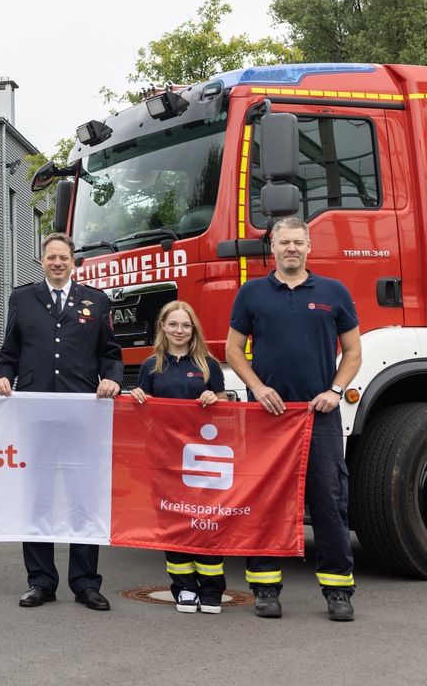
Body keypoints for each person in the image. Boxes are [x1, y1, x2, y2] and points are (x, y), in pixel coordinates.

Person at [225, 216, 362, 622]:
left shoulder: (334, 292)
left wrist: (334, 392)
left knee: (328, 500)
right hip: (267, 417)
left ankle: (339, 591)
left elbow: (352, 352)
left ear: (308, 247)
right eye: (284, 242)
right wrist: (258, 388)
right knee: (264, 502)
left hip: (315, 416)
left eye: (298, 243)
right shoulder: (251, 293)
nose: (291, 249)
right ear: (272, 248)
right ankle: (265, 588)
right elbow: (234, 350)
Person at [0, 232, 123, 611]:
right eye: (51, 257)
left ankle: (85, 583)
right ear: (42, 260)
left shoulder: (96, 302)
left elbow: (110, 354)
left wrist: (113, 376)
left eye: (63, 257)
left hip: (82, 415)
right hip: (35, 417)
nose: (57, 263)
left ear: (73, 261)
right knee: (38, 499)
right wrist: (3, 375)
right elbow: (9, 352)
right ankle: (41, 581)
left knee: (84, 498)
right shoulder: (21, 298)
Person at [130, 300, 227, 615]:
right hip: (165, 457)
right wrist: (138, 398)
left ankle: (212, 591)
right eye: (173, 324)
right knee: (173, 520)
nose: (179, 330)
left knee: (205, 520)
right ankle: (184, 589)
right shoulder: (150, 366)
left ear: (193, 329)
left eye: (185, 325)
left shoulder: (208, 365)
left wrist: (216, 398)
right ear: (163, 328)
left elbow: (225, 406)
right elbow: (142, 413)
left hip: (202, 458)